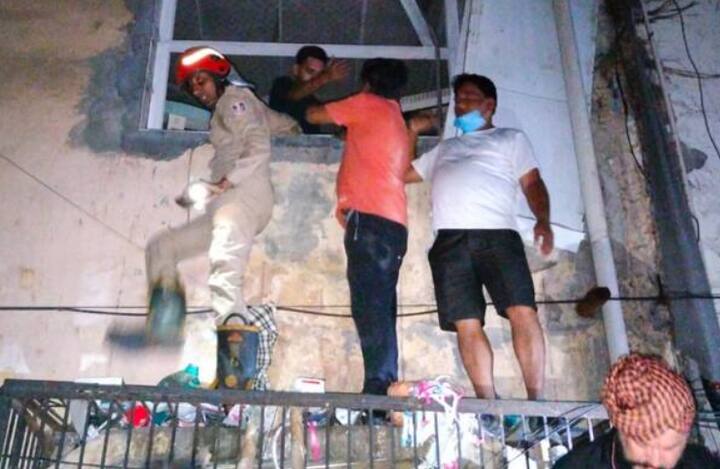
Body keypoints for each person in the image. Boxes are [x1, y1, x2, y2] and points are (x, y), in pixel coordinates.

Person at [145, 46, 300, 389]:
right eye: (192, 87)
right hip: (223, 202)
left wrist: (224, 182)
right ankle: (165, 327)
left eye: (201, 81)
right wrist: (295, 132)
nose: (197, 91)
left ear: (218, 76)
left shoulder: (235, 100)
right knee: (162, 248)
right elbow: (285, 125)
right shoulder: (239, 107)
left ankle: (236, 373)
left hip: (241, 196)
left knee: (224, 271)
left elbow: (258, 146)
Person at [406, 74, 553, 402]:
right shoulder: (445, 148)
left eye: (469, 98)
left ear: (490, 105)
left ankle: (537, 402)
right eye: (458, 99)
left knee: (522, 310)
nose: (461, 104)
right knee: (466, 321)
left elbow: (532, 183)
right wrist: (412, 132)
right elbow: (405, 173)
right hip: (449, 241)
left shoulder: (509, 138)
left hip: (497, 235)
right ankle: (488, 404)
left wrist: (543, 220)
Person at [305, 58, 410, 401]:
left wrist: (325, 84)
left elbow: (313, 115)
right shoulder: (393, 115)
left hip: (369, 220)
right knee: (381, 309)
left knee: (369, 307)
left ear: (367, 83)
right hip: (393, 223)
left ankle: (377, 392)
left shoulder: (366, 104)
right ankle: (384, 389)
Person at [554, 353, 720, 468]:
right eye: (645, 445)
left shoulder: (699, 463)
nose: (656, 461)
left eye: (670, 447)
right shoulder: (576, 466)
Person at [269, 45, 350, 133]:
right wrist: (326, 77)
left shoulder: (315, 99)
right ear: (296, 69)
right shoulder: (282, 84)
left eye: (319, 74)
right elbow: (294, 95)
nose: (315, 77)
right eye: (310, 71)